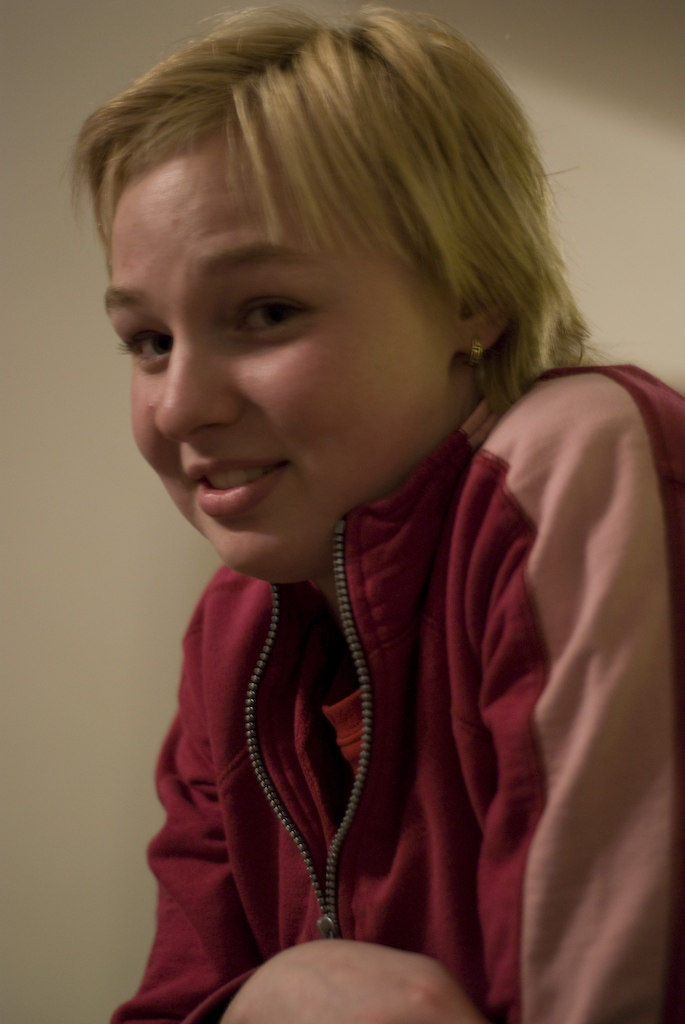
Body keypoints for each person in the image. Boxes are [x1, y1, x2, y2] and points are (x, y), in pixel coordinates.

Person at [72, 7, 684, 1023]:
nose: (178, 406)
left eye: (266, 312)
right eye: (148, 341)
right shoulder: (234, 628)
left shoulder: (572, 461)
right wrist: (264, 1002)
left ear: (473, 292)